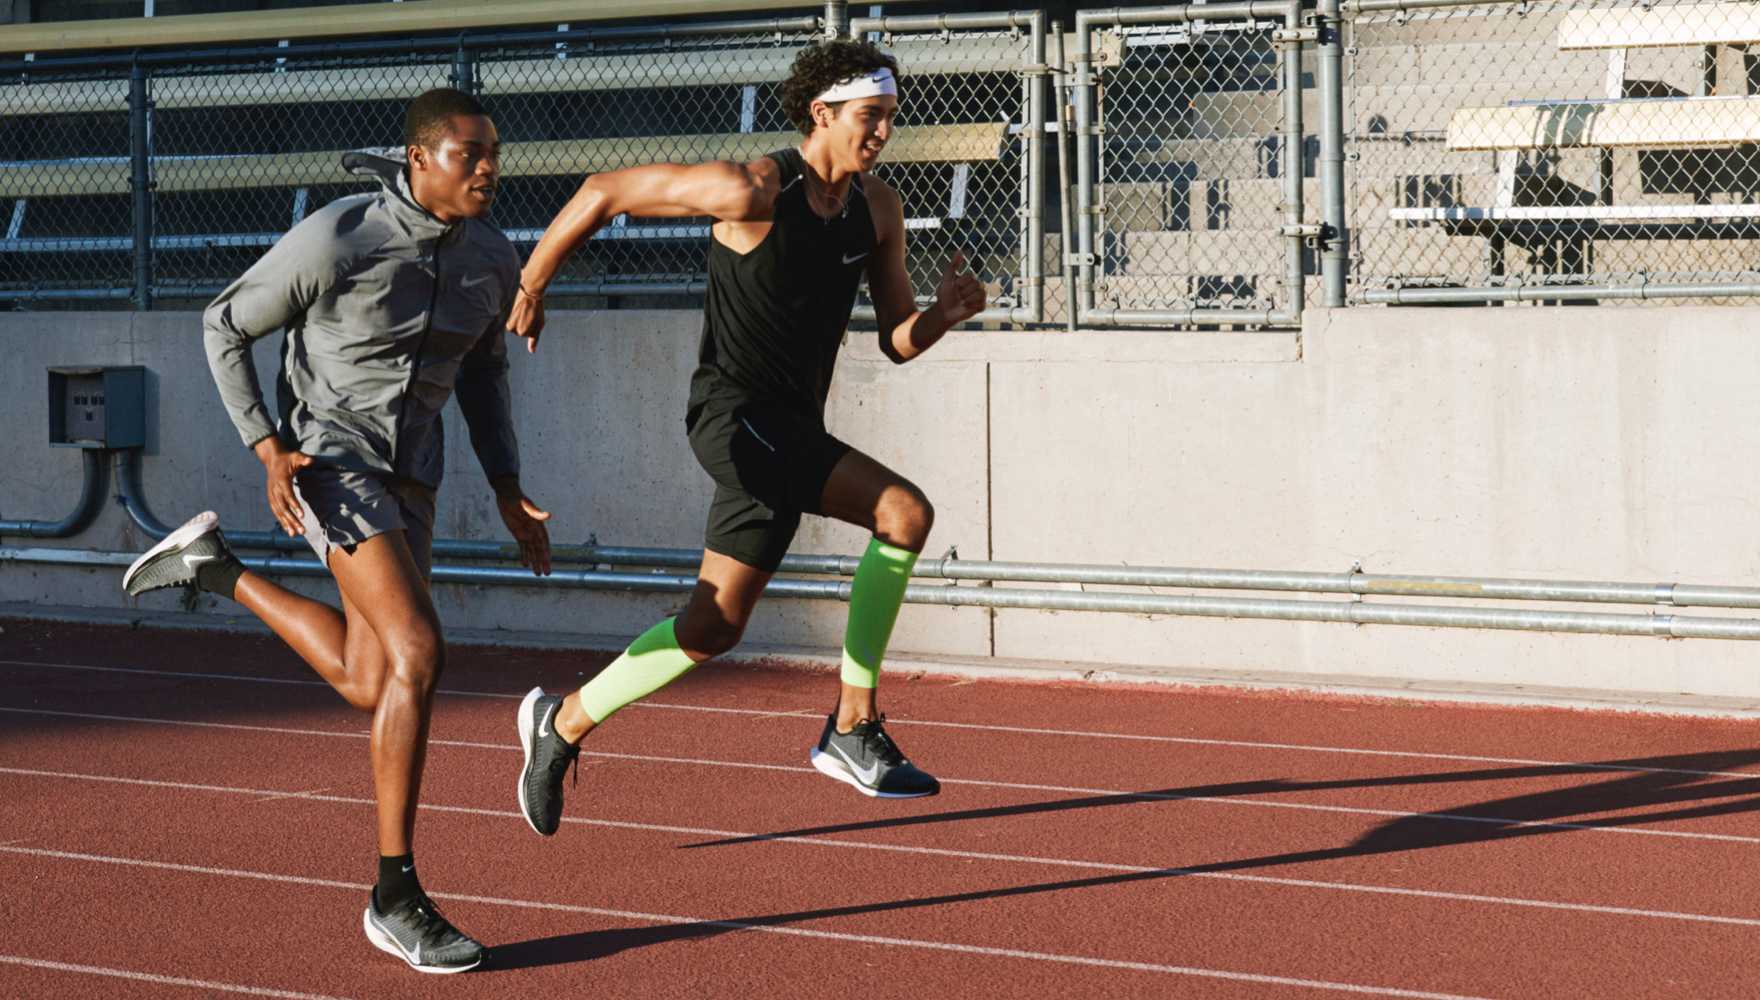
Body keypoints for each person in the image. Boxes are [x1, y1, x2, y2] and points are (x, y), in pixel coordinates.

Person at [508, 39, 986, 838]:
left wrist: (940, 315)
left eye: (891, 119)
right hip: (731, 419)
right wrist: (533, 279)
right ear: (820, 113)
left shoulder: (880, 209)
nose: (882, 133)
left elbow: (896, 340)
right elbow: (606, 189)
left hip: (788, 433)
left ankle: (560, 726)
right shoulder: (752, 188)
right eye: (870, 117)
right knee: (903, 513)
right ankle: (853, 726)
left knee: (713, 626)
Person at [122, 87, 551, 974]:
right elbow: (224, 323)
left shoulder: (495, 258)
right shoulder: (341, 236)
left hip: (414, 477)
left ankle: (215, 571)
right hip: (329, 462)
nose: (489, 168)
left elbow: (484, 379)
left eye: (495, 153)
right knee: (419, 654)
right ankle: (395, 893)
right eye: (470, 154)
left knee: (372, 677)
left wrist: (509, 488)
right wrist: (268, 446)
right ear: (421, 158)